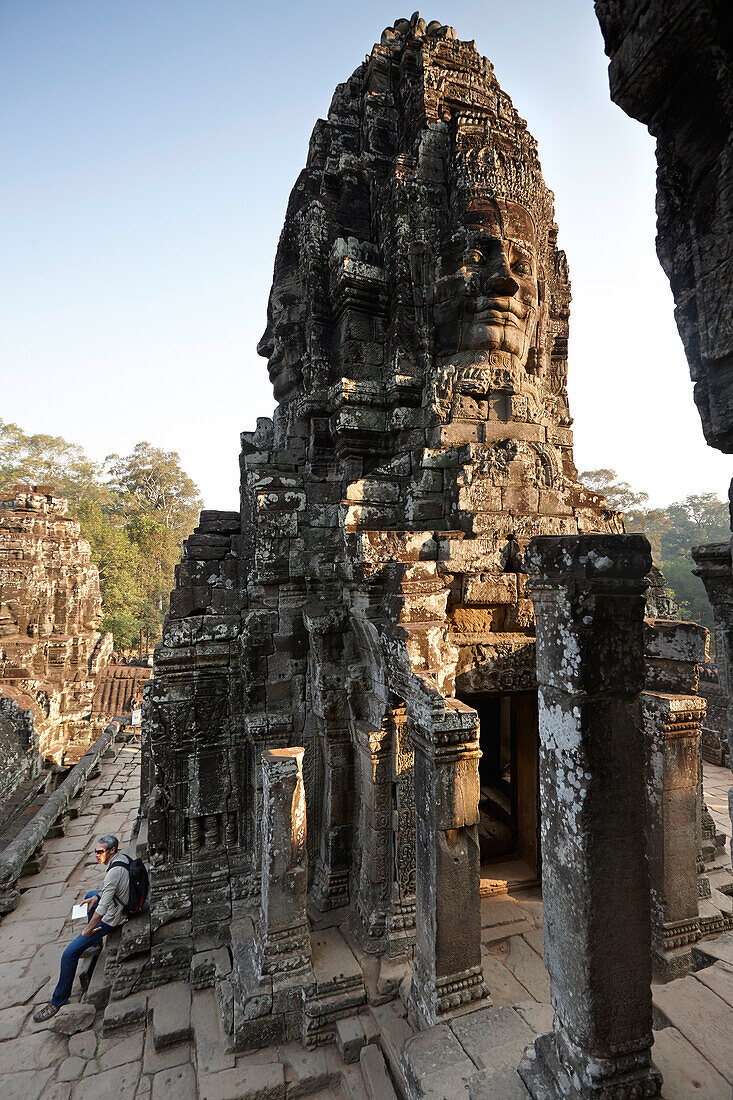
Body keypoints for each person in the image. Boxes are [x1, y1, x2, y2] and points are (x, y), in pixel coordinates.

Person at [33, 833, 131, 1022]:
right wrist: (96, 896)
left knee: (69, 954)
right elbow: (109, 891)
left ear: (111, 851)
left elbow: (102, 910)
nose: (96, 854)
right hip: (120, 901)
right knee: (91, 895)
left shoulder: (113, 873)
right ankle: (95, 944)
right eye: (95, 851)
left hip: (114, 917)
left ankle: (58, 1000)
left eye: (100, 852)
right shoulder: (121, 858)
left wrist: (87, 931)